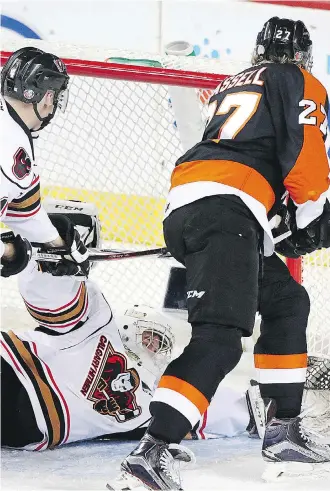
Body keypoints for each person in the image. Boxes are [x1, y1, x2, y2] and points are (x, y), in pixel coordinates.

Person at [112, 17, 330, 490]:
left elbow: (246, 154)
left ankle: (282, 429)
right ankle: (153, 450)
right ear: (301, 57)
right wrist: (313, 220)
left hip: (196, 206)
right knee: (220, 340)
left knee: (286, 301)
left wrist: (275, 225)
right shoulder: (298, 79)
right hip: (226, 213)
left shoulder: (232, 83)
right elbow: (307, 166)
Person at [0, 199, 256, 450]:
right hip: (11, 375)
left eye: (156, 342)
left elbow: (217, 408)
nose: (153, 347)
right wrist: (53, 251)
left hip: (18, 429)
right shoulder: (95, 321)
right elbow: (51, 296)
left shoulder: (153, 405)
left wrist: (267, 401)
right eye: (148, 338)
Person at [0, 47, 88, 279]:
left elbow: (22, 211)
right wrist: (9, 252)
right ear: (48, 97)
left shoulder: (11, 129)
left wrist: (59, 244)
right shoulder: (9, 150)